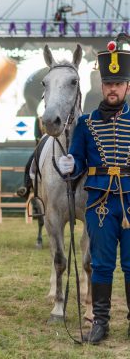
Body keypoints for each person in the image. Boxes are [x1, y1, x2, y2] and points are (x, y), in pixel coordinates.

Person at [57, 33, 130, 344]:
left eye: (119, 83)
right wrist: (69, 166)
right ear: (102, 86)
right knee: (101, 264)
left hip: (129, 201)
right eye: (108, 83)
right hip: (99, 201)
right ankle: (100, 322)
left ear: (127, 86)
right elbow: (78, 161)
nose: (112, 88)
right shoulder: (86, 124)